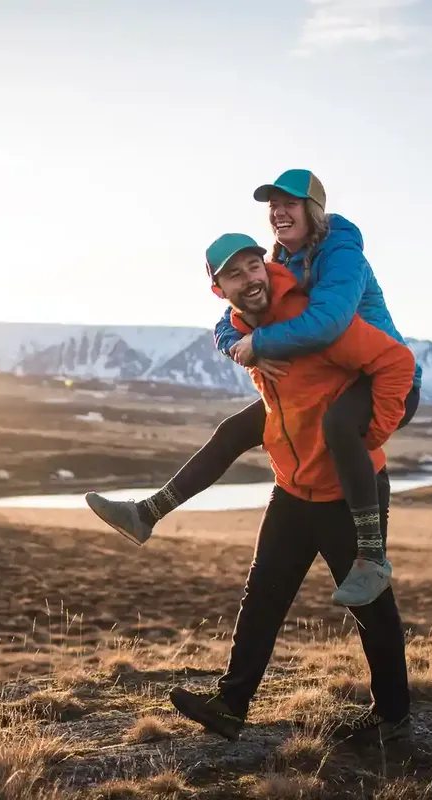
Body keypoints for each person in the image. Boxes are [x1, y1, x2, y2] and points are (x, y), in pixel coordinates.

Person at [85, 168, 420, 605]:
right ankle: (146, 513)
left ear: (313, 210)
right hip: (334, 380)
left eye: (290, 203)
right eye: (273, 206)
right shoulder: (281, 258)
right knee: (234, 430)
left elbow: (328, 323)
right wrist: (235, 344)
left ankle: (372, 558)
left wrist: (259, 343)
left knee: (339, 426)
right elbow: (233, 317)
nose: (280, 212)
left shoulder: (342, 255)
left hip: (383, 378)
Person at [165, 232, 416, 746]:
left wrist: (375, 431)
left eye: (254, 265)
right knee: (261, 601)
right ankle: (231, 706)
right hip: (292, 491)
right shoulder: (239, 328)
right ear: (219, 289)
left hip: (348, 492)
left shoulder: (311, 319)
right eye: (234, 274)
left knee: (372, 610)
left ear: (267, 266)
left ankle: (393, 719)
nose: (250, 278)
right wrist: (238, 344)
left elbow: (396, 363)